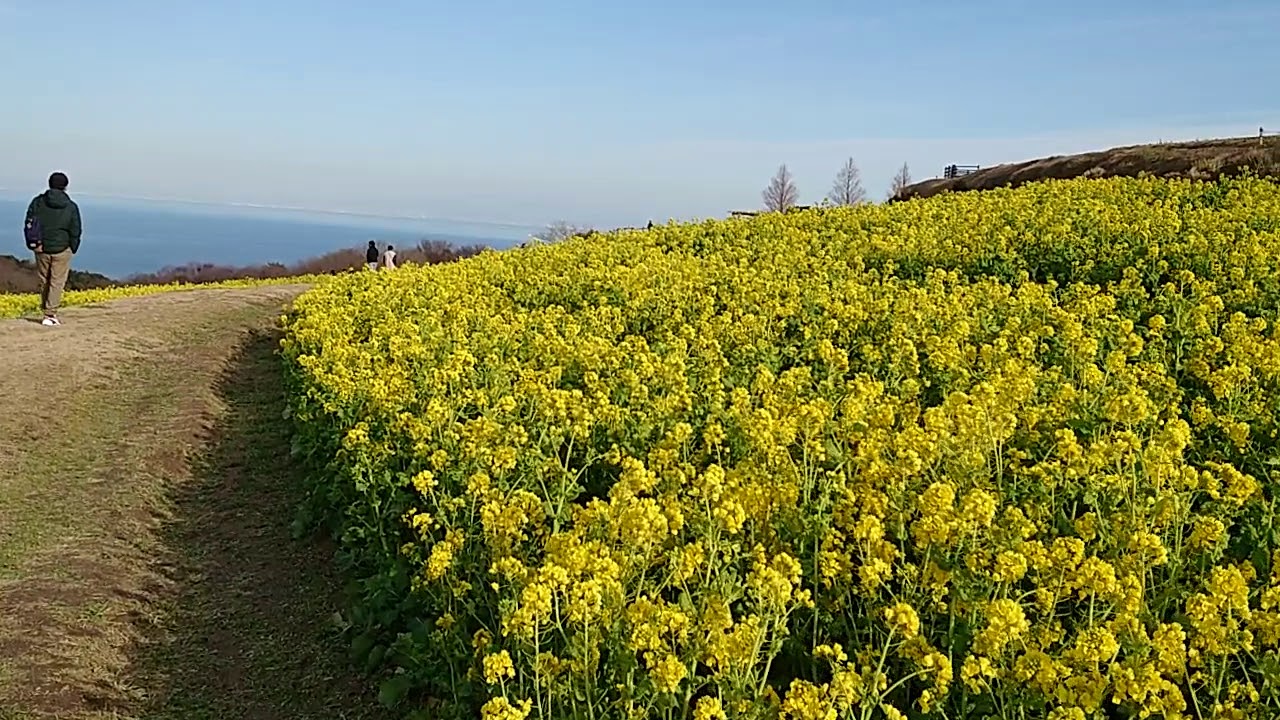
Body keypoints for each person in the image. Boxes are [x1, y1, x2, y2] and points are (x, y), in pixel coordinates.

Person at [25, 172, 83, 326]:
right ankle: (50, 314)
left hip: (41, 247)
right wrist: (73, 246)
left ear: (49, 183)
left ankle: (46, 311)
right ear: (65, 186)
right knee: (57, 281)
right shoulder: (71, 206)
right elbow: (76, 229)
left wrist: (33, 243)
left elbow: (29, 223)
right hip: (62, 248)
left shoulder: (38, 202)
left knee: (44, 280)